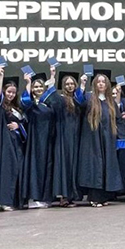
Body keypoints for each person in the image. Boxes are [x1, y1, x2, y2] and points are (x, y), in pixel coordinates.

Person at [77, 72, 124, 207]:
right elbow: (79, 103)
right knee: (95, 167)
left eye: (103, 82)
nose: (101, 84)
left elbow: (119, 120)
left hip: (108, 139)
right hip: (92, 139)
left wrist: (120, 140)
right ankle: (94, 197)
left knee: (106, 166)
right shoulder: (89, 98)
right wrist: (82, 85)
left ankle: (103, 197)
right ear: (95, 84)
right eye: (99, 82)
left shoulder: (110, 102)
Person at [0, 68, 28, 211]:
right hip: (6, 143)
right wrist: (1, 77)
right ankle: (4, 201)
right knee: (7, 170)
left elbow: (24, 122)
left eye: (13, 92)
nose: (11, 94)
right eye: (9, 92)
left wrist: (18, 125)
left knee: (17, 170)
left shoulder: (16, 107)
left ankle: (15, 201)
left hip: (17, 143)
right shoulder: (1, 107)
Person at [21, 71, 57, 209]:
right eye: (35, 87)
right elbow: (25, 102)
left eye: (40, 86)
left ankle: (45, 197)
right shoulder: (30, 103)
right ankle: (34, 197)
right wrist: (28, 82)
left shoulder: (49, 102)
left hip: (48, 139)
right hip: (35, 141)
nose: (38, 89)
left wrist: (52, 77)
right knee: (35, 167)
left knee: (47, 167)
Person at [50, 71, 84, 207]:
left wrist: (83, 85)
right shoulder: (60, 99)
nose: (70, 86)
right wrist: (52, 76)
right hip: (64, 137)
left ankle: (72, 195)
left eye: (72, 84)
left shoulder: (77, 99)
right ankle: (63, 196)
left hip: (76, 136)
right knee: (65, 165)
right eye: (67, 84)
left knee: (74, 165)